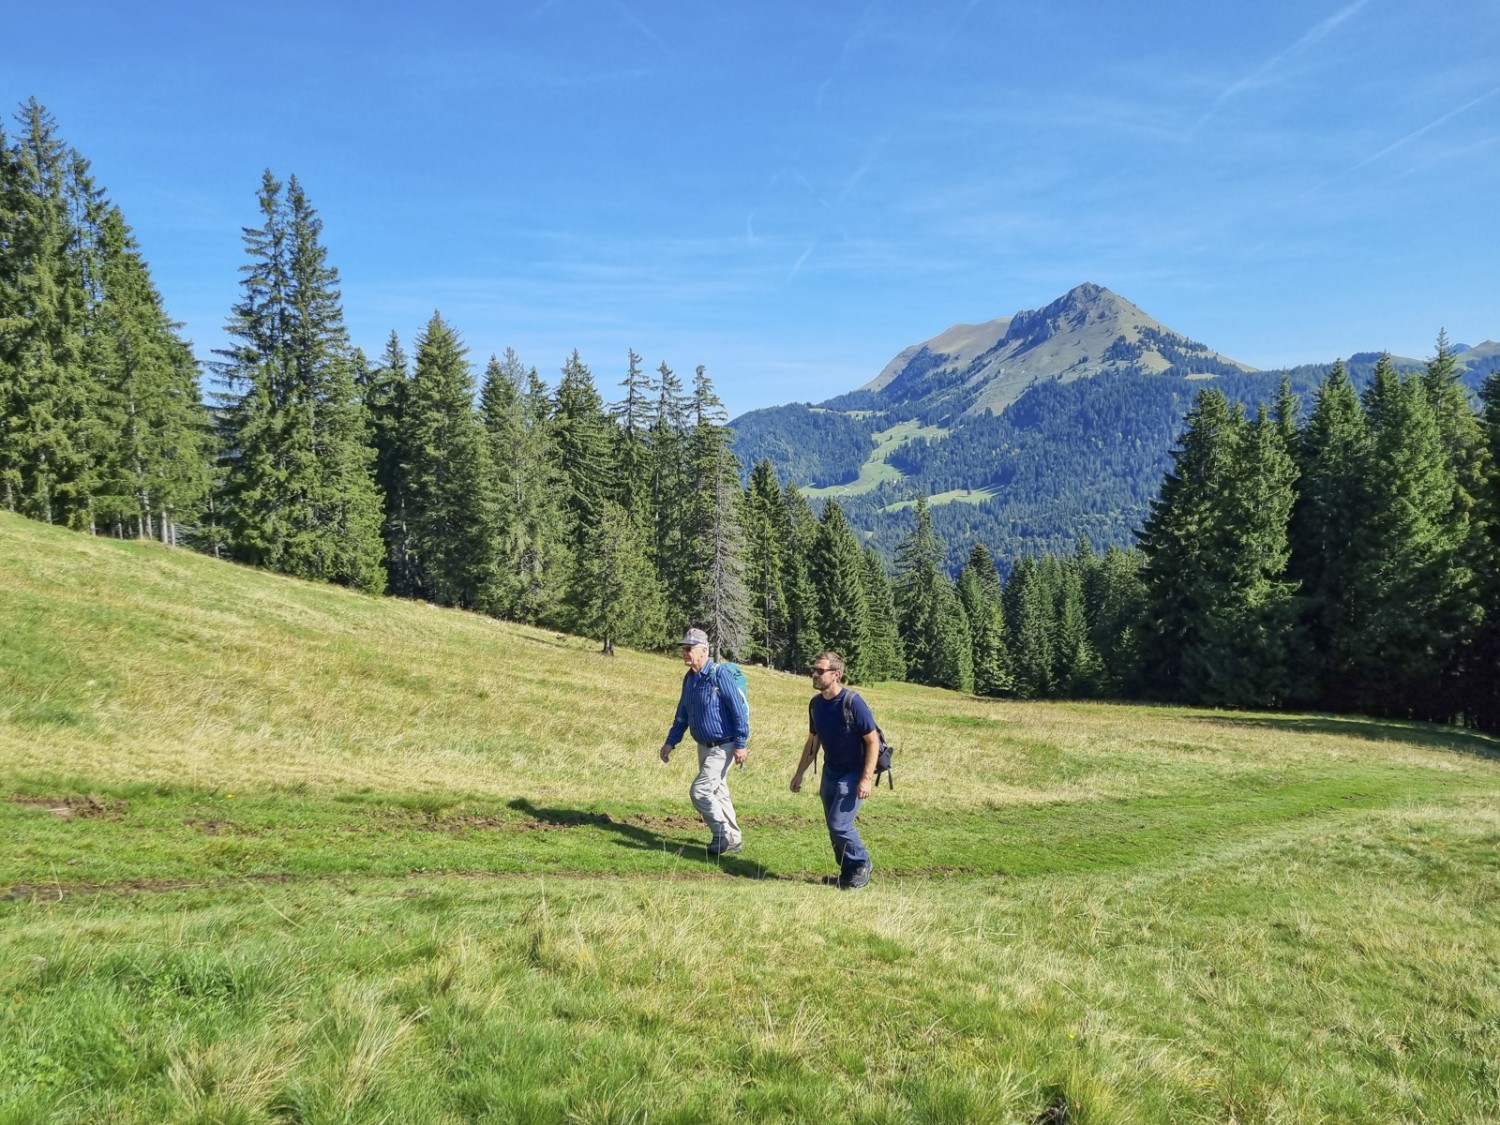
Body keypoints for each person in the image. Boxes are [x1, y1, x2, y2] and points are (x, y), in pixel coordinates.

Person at [789, 651, 878, 889]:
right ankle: (848, 874)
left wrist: (866, 779)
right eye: (814, 670)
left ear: (836, 674)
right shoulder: (815, 705)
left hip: (854, 772)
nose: (814, 675)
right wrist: (799, 773)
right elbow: (812, 742)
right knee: (833, 825)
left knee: (840, 824)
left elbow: (873, 741)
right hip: (831, 771)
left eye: (820, 671)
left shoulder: (853, 702)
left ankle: (862, 863)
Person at [659, 627, 750, 856]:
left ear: (704, 651)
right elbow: (682, 714)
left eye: (689, 648)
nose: (685, 652)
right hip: (704, 746)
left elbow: (738, 711)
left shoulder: (719, 675)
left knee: (700, 791)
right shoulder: (689, 679)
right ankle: (735, 840)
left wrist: (741, 744)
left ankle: (722, 834)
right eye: (684, 648)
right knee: (719, 792)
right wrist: (671, 742)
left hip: (724, 745)